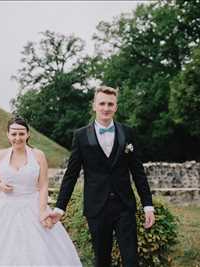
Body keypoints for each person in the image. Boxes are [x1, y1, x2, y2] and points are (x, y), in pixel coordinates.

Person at [0, 116, 82, 266]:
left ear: (28, 134)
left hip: (31, 204)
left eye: (21, 133)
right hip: (3, 206)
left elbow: (43, 184)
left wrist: (42, 210)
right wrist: (1, 187)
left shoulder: (38, 155)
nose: (17, 138)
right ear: (8, 135)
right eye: (13, 134)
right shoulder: (0, 155)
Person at [51, 86, 155, 267]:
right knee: (102, 260)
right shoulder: (81, 136)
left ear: (116, 107)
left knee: (131, 260)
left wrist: (147, 205)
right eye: (102, 103)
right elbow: (71, 175)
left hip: (124, 205)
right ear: (94, 106)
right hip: (97, 207)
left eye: (110, 104)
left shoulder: (127, 133)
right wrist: (60, 207)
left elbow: (138, 172)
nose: (106, 108)